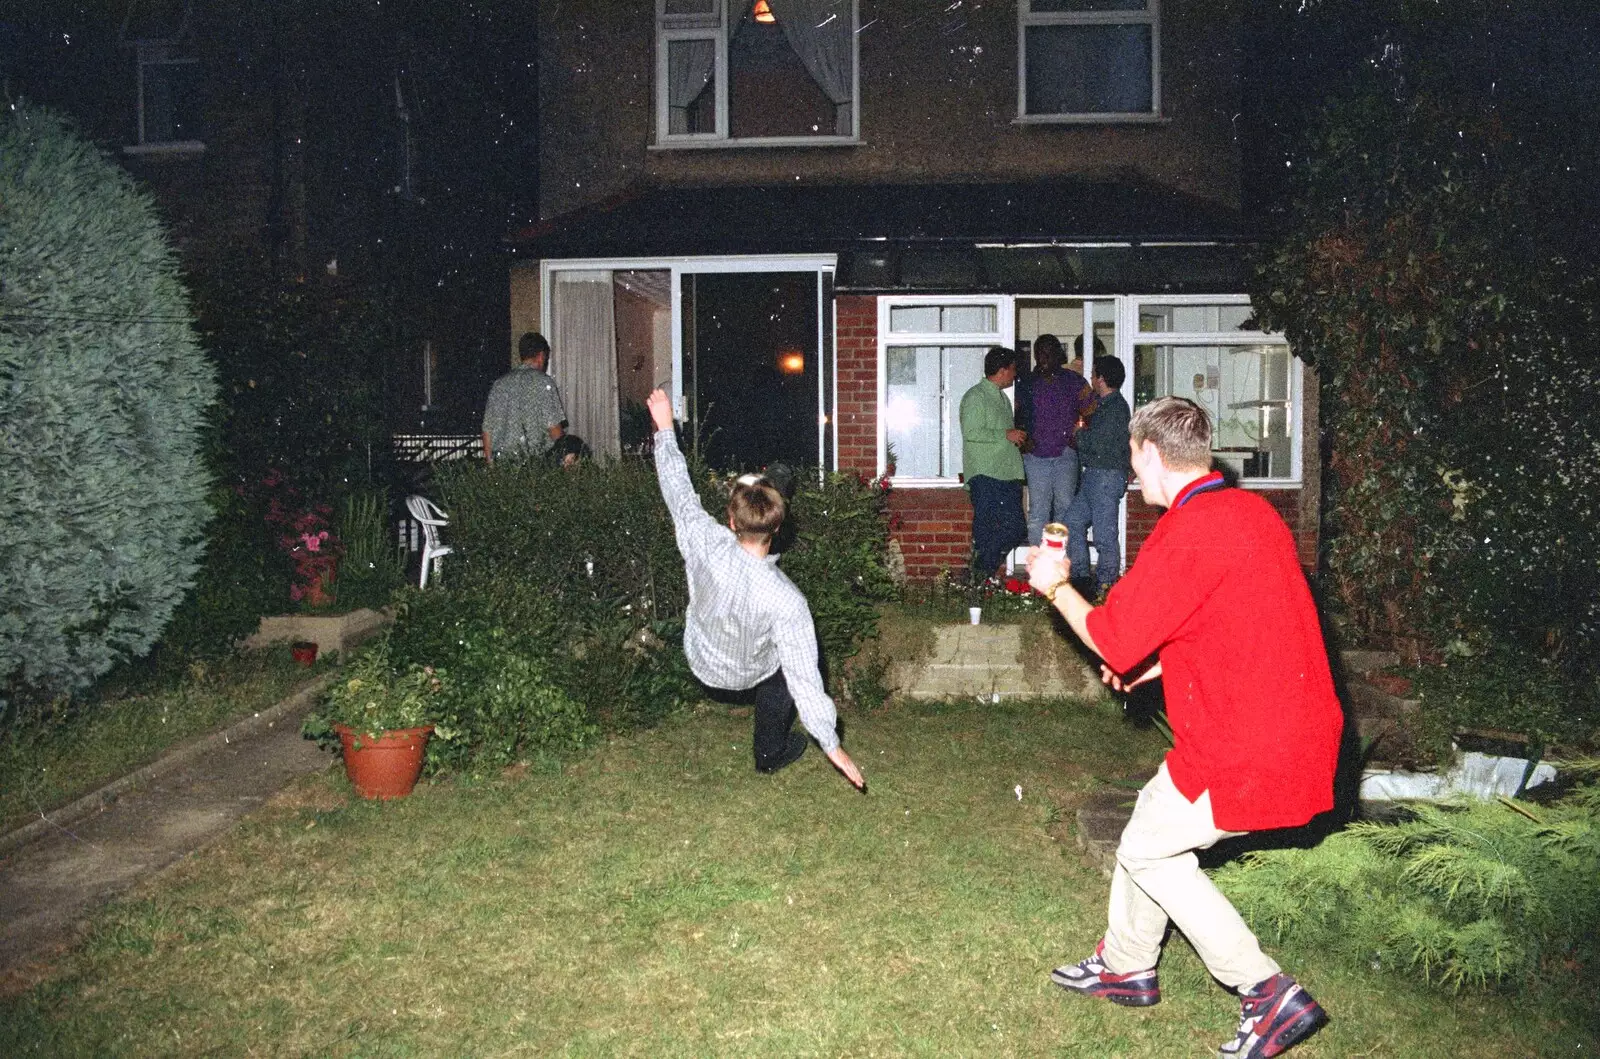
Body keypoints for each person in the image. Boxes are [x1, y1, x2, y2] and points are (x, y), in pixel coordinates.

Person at [1028, 396, 1340, 1059]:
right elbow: (1236, 616)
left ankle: (1266, 990)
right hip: (1291, 723)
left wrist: (1056, 586)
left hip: (1245, 742)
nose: (1132, 474)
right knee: (1151, 817)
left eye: (1132, 460)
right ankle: (1127, 964)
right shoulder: (1251, 512)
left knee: (1147, 848)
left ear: (1147, 451)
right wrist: (1162, 665)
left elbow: (1112, 639)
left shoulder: (1186, 530)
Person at [644, 388, 866, 790]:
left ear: (731, 520)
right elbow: (805, 679)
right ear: (777, 529)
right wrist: (833, 746)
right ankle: (769, 754)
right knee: (792, 663)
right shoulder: (788, 600)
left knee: (785, 658)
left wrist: (663, 428)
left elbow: (677, 492)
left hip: (701, 660)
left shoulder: (705, 540)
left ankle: (770, 749)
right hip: (749, 671)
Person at [959, 346, 1027, 583]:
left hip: (1006, 474)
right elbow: (971, 431)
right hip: (986, 474)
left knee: (1016, 529)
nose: (1014, 374)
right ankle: (977, 580)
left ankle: (978, 576)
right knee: (987, 533)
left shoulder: (1002, 399)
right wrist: (1005, 434)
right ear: (1001, 370)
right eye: (1012, 369)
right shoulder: (975, 396)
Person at [1064, 355, 1130, 600]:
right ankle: (1082, 577)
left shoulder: (1114, 409)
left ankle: (1106, 585)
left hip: (1104, 477)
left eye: (1093, 375)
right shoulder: (1107, 406)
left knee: (1104, 535)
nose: (1091, 378)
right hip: (1095, 476)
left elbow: (1098, 446)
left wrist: (1079, 434)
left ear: (1101, 379)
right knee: (1072, 521)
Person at [1019, 334, 1092, 547]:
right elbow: (1013, 414)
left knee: (1065, 510)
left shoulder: (1074, 381)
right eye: (1040, 353)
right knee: (1038, 512)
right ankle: (1037, 565)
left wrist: (1078, 434)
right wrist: (1024, 439)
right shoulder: (1026, 383)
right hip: (1036, 457)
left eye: (1049, 352)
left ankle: (1060, 563)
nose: (1044, 357)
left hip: (1065, 457)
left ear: (1058, 354)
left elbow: (1092, 411)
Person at [481, 332, 566, 463]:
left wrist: (490, 464)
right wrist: (566, 452)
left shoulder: (499, 384)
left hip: (504, 465)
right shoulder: (543, 382)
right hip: (533, 466)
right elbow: (553, 428)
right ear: (541, 356)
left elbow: (487, 429)